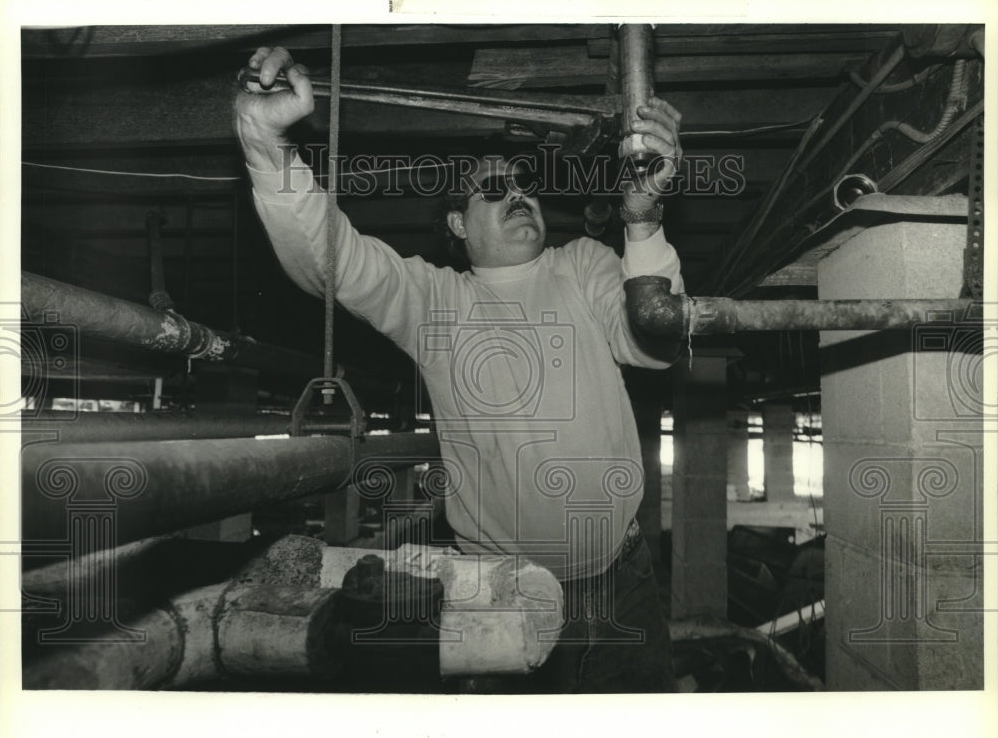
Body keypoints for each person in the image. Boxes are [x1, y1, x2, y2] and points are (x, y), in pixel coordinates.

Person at [235, 46, 686, 692]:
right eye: (493, 190)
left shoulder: (582, 264)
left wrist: (641, 221)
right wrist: (263, 142)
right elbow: (333, 259)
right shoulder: (436, 301)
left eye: (525, 187)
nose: (518, 197)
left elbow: (654, 342)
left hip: (624, 581)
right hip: (499, 590)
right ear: (456, 223)